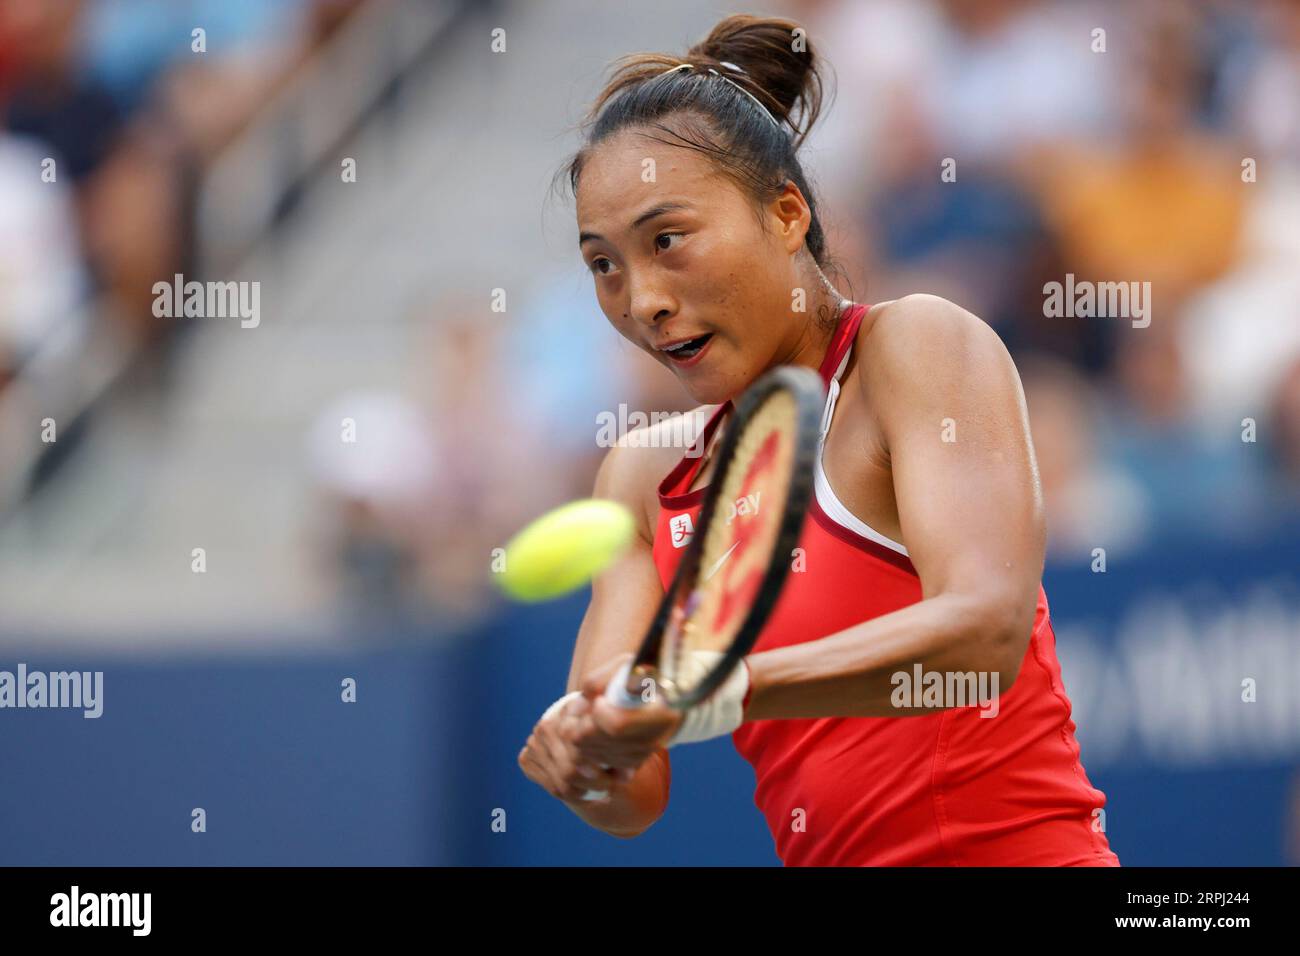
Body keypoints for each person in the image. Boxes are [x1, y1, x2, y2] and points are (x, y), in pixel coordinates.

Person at [517, 14, 1119, 866]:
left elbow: (983, 633)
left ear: (787, 212)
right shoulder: (642, 476)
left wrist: (720, 690)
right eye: (604, 265)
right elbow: (634, 790)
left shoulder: (913, 350)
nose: (641, 299)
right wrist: (584, 754)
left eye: (668, 240)